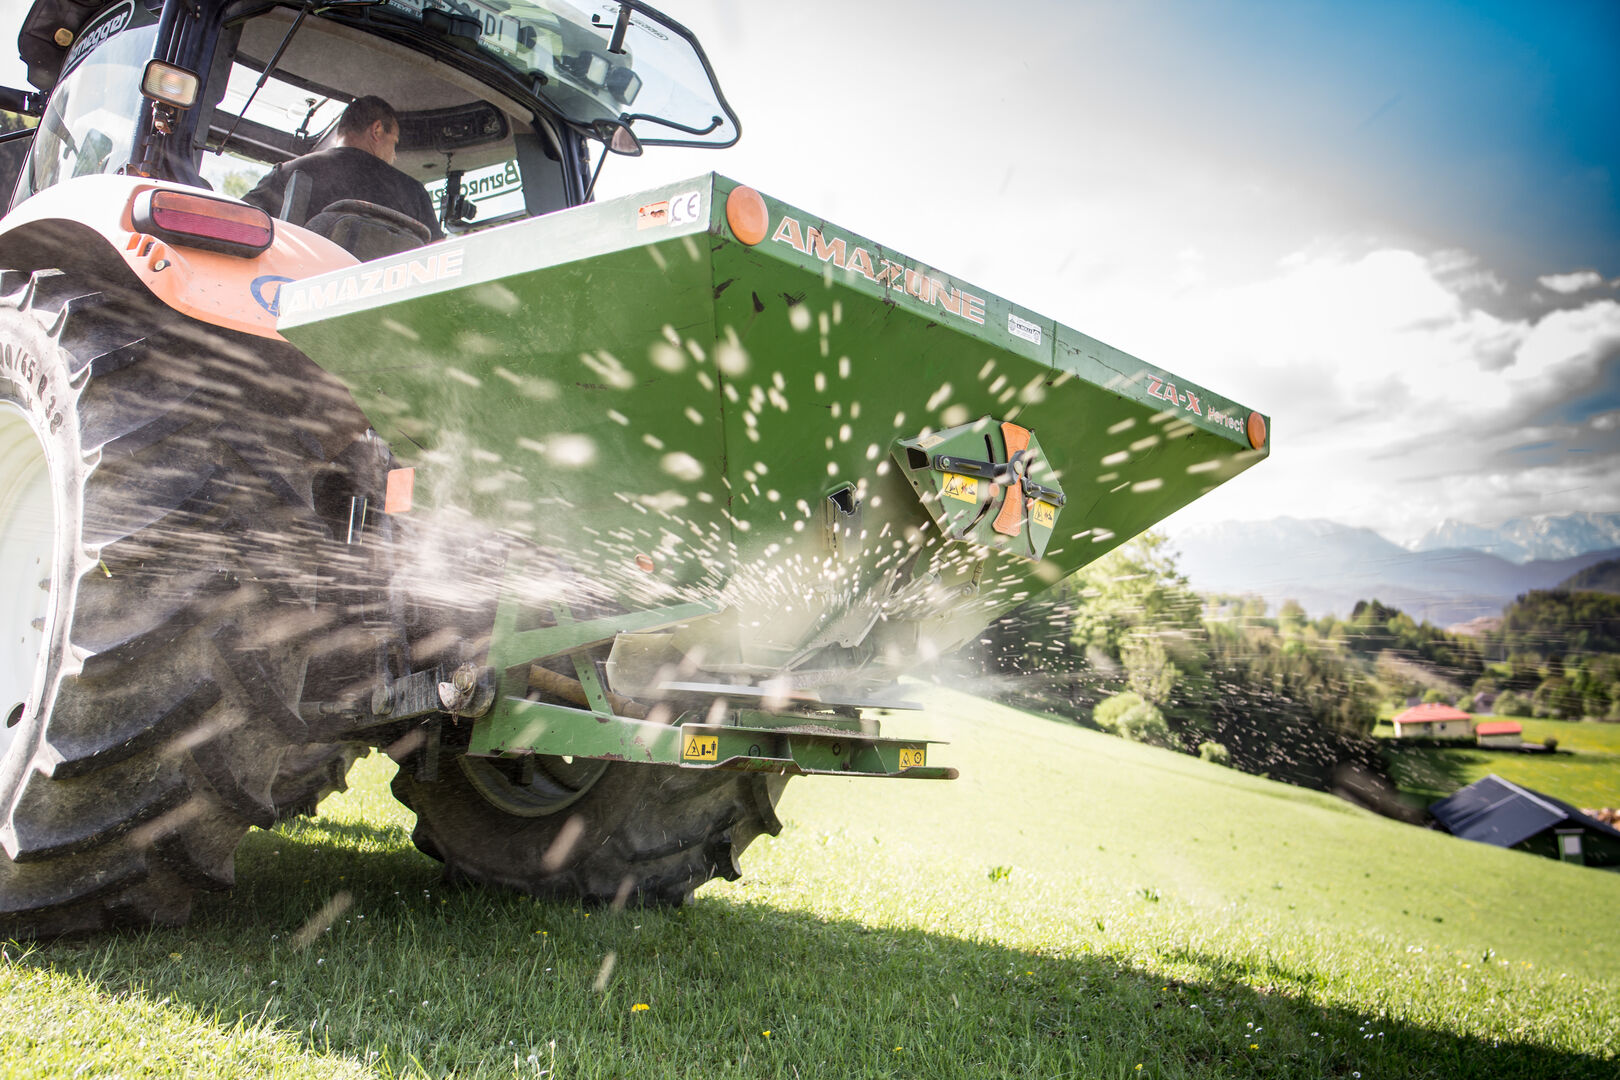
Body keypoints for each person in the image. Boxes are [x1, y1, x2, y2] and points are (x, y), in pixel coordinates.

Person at [242, 96, 442, 240]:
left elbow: (240, 221)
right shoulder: (413, 192)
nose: (394, 154)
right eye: (394, 142)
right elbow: (438, 257)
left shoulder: (289, 173)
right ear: (377, 129)